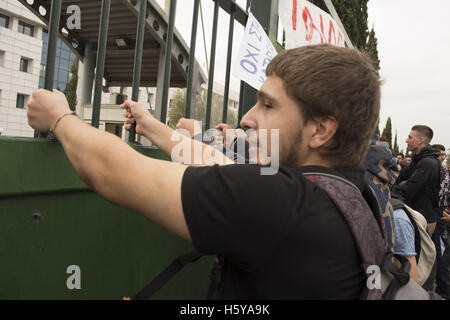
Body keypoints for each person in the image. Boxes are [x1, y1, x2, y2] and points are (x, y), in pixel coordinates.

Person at [27, 44, 383, 299]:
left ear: (320, 130)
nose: (247, 118)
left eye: (268, 104)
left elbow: (110, 171)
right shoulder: (352, 197)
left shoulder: (283, 204)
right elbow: (219, 165)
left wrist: (60, 117)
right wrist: (152, 127)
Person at [395, 126, 442, 236]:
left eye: (410, 137)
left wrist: (403, 185)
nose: (407, 140)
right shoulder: (418, 160)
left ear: (420, 140)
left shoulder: (427, 162)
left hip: (423, 220)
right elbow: (399, 180)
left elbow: (409, 189)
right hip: (415, 216)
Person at [430, 144, 450, 299]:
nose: (442, 157)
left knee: (442, 253)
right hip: (439, 218)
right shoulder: (438, 172)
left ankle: (444, 287)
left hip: (441, 218)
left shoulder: (443, 174)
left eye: (444, 155)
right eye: (440, 154)